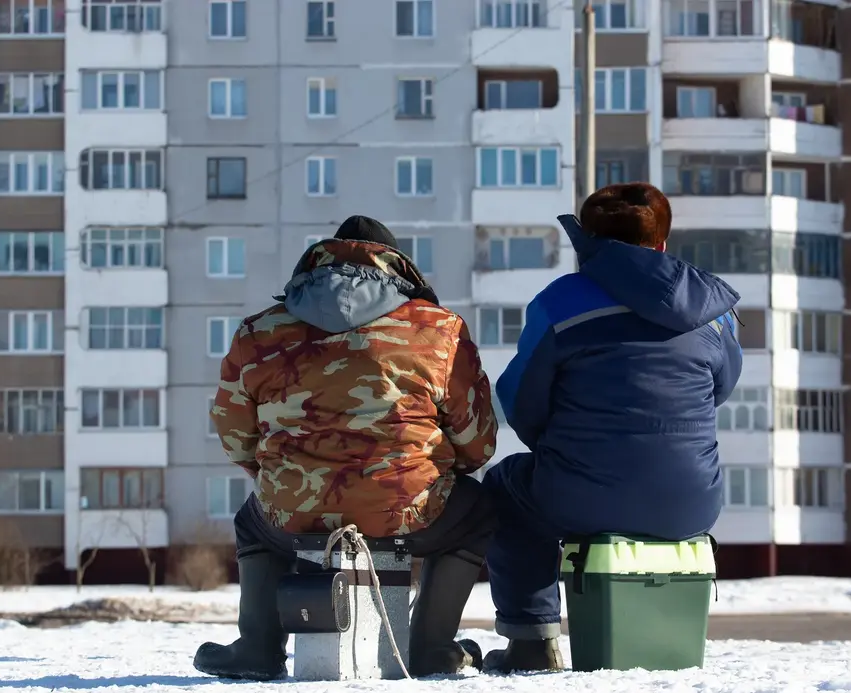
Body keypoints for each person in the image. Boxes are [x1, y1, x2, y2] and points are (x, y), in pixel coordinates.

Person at [193, 216, 499, 681]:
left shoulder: (259, 331)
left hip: (293, 512)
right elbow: (477, 441)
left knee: (254, 525)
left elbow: (235, 435)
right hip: (410, 511)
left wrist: (279, 479)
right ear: (398, 268)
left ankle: (258, 646)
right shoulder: (440, 330)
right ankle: (432, 647)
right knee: (477, 513)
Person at [479, 183, 743, 673]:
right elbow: (720, 389)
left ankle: (532, 640)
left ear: (589, 241)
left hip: (580, 495)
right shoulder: (713, 309)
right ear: (662, 243)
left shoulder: (562, 302)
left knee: (505, 487)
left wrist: (560, 447)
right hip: (690, 501)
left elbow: (521, 401)